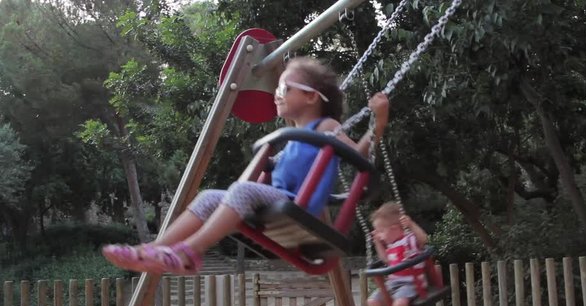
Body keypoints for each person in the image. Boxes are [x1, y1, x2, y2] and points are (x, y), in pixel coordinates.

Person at [102, 57, 389, 275]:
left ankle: (190, 250)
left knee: (240, 190)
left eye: (284, 88)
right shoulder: (292, 141)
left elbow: (358, 155)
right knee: (209, 197)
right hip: (274, 200)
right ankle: (152, 249)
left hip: (298, 206)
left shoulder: (326, 126)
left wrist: (378, 122)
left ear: (311, 96)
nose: (277, 93)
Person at [365, 202, 428, 306]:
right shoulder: (392, 246)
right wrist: (378, 243)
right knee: (372, 302)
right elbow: (385, 259)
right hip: (393, 284)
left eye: (381, 231)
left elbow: (424, 239)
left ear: (394, 228)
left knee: (399, 305)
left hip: (411, 283)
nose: (378, 234)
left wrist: (411, 224)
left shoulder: (409, 240)